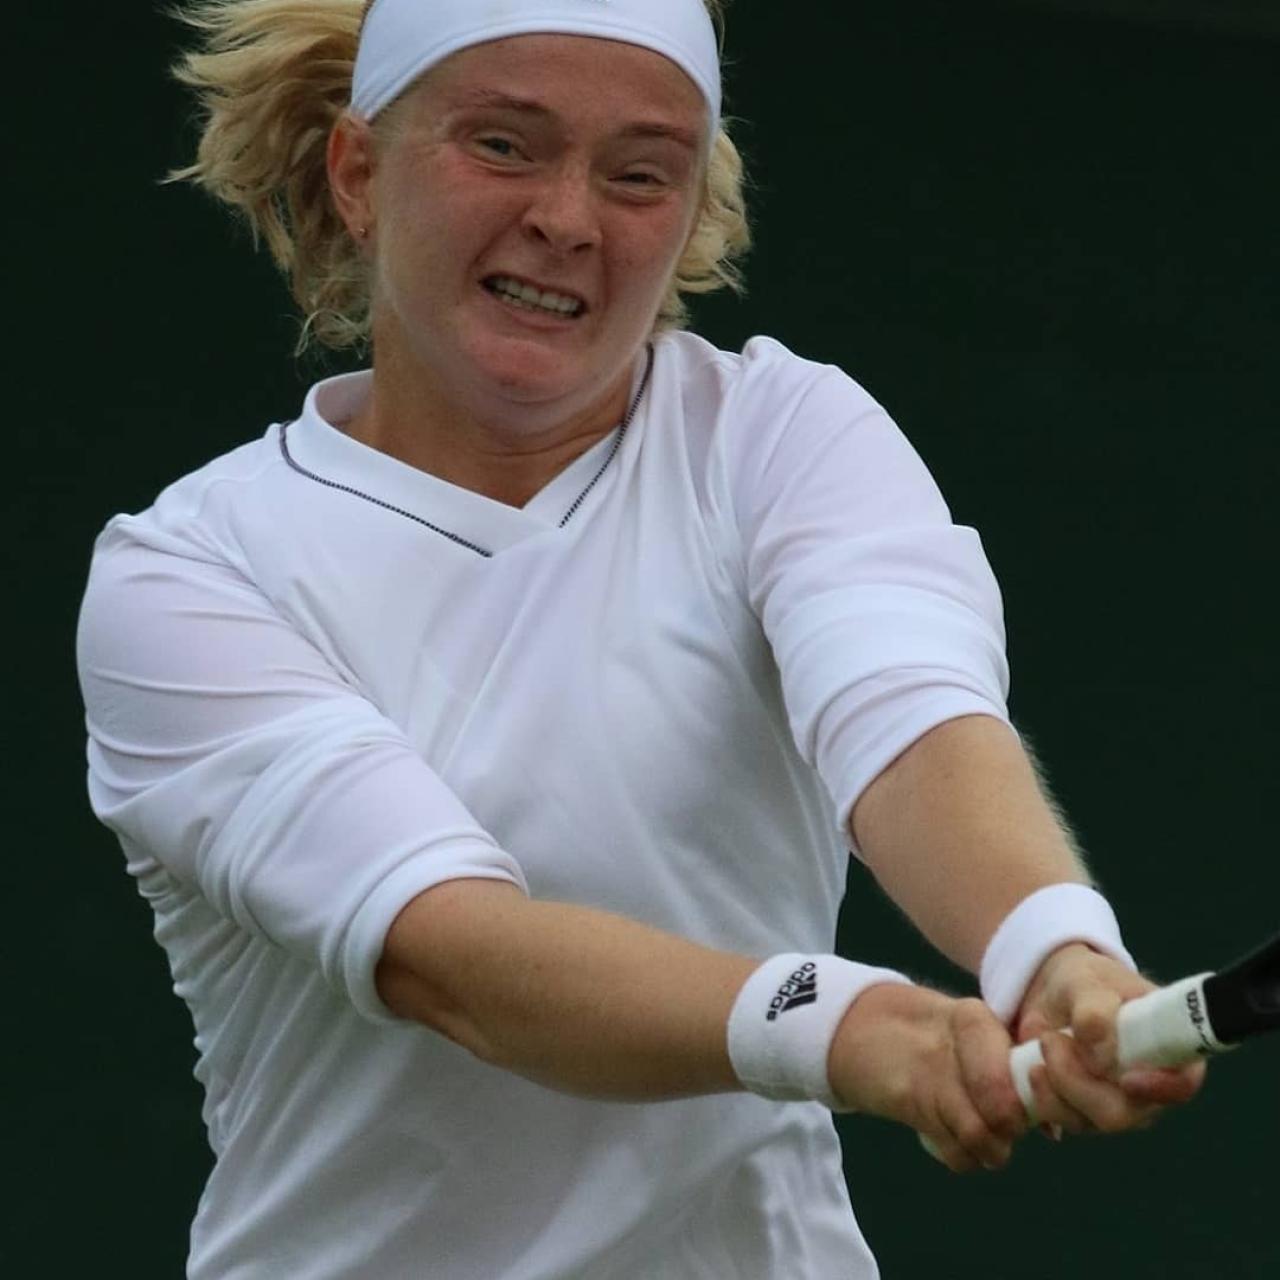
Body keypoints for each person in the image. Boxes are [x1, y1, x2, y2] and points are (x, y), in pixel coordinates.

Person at [76, 1, 1204, 1276]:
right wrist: (846, 1024)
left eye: (636, 174)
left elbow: (906, 714)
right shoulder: (189, 572)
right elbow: (453, 953)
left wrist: (1048, 940)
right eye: (503, 145)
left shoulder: (782, 433)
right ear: (357, 172)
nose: (568, 218)